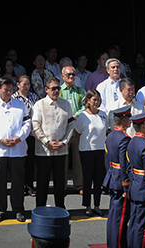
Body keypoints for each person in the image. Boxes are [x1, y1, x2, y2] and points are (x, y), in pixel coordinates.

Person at [0, 77, 30, 223]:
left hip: (18, 149)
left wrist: (19, 138)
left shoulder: (21, 105)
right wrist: (0, 140)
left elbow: (27, 123)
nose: (9, 92)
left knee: (18, 182)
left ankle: (18, 209)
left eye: (10, 90)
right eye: (5, 90)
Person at [32, 77, 74, 209]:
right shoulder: (39, 104)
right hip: (43, 150)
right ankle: (40, 209)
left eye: (58, 88)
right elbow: (35, 126)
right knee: (42, 182)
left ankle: (60, 208)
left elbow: (71, 125)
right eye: (53, 88)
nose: (56, 91)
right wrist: (47, 142)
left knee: (60, 182)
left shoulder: (66, 104)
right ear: (46, 89)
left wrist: (64, 142)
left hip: (61, 149)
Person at [74, 89, 108, 217]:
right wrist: (83, 144)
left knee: (98, 179)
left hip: (100, 149)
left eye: (98, 99)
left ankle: (97, 205)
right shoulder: (83, 116)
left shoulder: (103, 114)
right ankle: (87, 205)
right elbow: (78, 132)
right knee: (88, 179)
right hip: (87, 150)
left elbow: (106, 130)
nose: (96, 102)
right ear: (87, 100)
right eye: (94, 99)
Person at [103, 105, 132, 248]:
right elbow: (124, 164)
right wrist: (126, 185)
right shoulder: (124, 139)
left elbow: (107, 161)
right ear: (124, 120)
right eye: (129, 118)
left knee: (114, 216)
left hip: (112, 178)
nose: (131, 121)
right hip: (121, 182)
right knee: (120, 218)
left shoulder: (110, 136)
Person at [127, 111, 145, 248]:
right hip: (144, 188)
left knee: (134, 222)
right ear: (143, 127)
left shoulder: (132, 142)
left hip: (134, 186)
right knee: (143, 227)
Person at [59, 66, 86, 194]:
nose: (71, 77)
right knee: (63, 159)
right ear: (62, 76)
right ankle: (62, 185)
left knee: (78, 159)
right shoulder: (58, 90)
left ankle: (79, 185)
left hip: (77, 129)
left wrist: (75, 115)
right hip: (63, 130)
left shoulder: (81, 91)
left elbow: (85, 106)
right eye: (68, 74)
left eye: (73, 74)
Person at [11, 75, 39, 196]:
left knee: (30, 161)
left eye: (28, 84)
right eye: (24, 84)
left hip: (31, 133)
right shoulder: (13, 97)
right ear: (18, 85)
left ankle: (30, 186)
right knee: (19, 162)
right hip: (18, 133)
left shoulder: (33, 96)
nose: (26, 87)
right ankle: (19, 186)